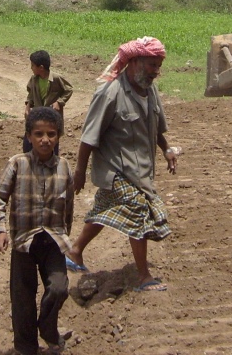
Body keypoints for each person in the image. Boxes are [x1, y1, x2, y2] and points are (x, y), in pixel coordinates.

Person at [67, 36, 178, 292]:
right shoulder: (110, 93)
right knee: (137, 208)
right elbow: (89, 137)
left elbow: (155, 127)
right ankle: (143, 277)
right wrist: (80, 172)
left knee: (106, 209)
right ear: (134, 62)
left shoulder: (150, 90)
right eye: (152, 65)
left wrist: (166, 149)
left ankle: (75, 251)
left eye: (158, 66)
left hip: (140, 169)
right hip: (115, 168)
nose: (156, 71)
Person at [0, 106, 73, 355]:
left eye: (51, 134)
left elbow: (69, 205)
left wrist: (66, 234)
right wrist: (0, 230)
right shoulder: (18, 163)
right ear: (29, 136)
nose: (45, 139)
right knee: (22, 297)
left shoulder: (64, 167)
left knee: (59, 287)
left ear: (58, 136)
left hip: (53, 241)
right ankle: (26, 347)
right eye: (39, 134)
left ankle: (48, 328)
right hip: (24, 241)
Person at [23, 50, 73, 153]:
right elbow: (31, 94)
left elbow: (68, 89)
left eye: (33, 65)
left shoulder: (56, 78)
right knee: (28, 144)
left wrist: (59, 102)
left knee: (52, 143)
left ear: (41, 67)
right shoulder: (33, 80)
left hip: (52, 118)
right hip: (37, 116)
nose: (31, 68)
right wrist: (28, 106)